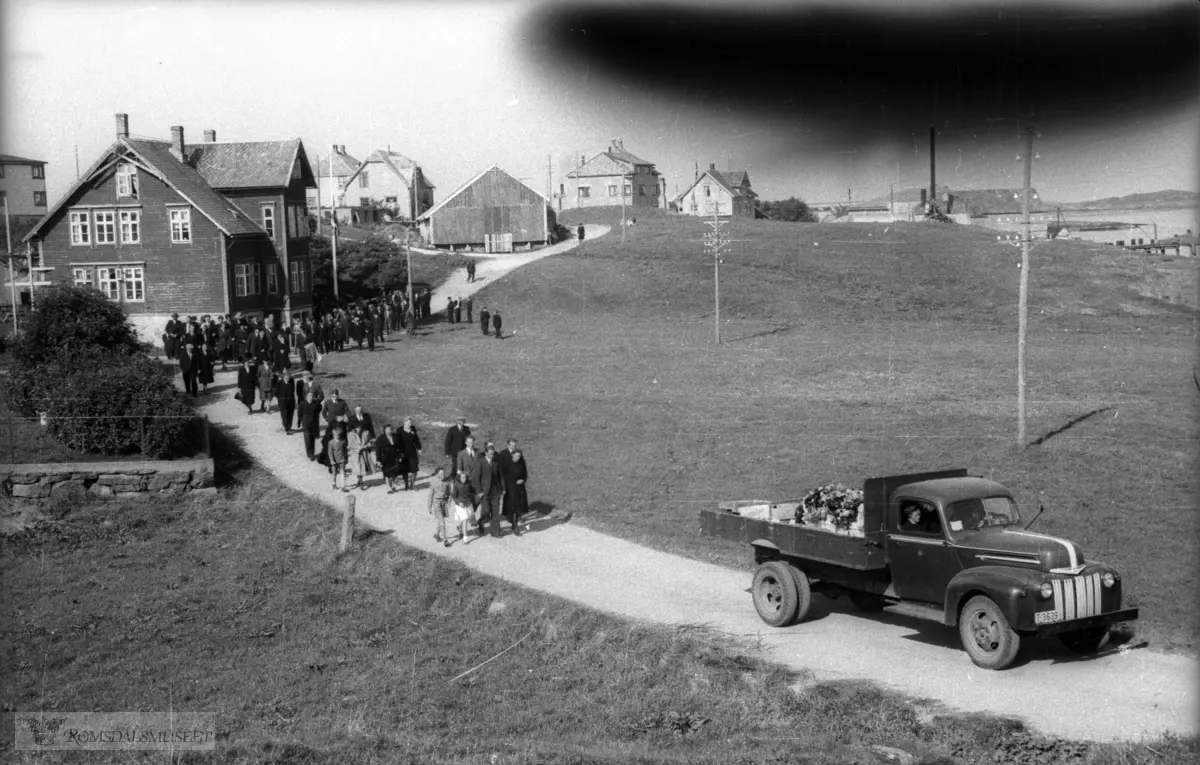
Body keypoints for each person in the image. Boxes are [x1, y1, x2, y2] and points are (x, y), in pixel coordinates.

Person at [470, 443, 505, 538]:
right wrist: (479, 491)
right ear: (486, 453)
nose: (492, 455)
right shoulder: (480, 462)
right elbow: (475, 478)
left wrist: (503, 488)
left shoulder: (496, 462)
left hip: (495, 491)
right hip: (484, 492)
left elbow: (501, 476)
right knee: (486, 510)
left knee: (495, 512)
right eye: (490, 454)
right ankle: (480, 522)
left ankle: (495, 532)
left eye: (493, 453)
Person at [501, 447, 528, 537]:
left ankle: (514, 524)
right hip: (510, 488)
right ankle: (515, 525)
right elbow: (502, 476)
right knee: (512, 507)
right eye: (516, 456)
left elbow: (525, 474)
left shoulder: (522, 462)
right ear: (512, 455)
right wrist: (503, 488)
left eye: (519, 456)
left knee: (518, 507)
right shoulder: (506, 464)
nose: (518, 458)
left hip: (519, 488)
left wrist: (522, 480)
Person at [348, 404, 377, 472]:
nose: (359, 411)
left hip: (367, 436)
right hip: (357, 438)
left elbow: (371, 427)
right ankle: (362, 468)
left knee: (368, 451)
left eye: (360, 410)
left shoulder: (366, 416)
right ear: (355, 411)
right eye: (357, 410)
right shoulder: (351, 418)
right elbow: (349, 429)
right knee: (360, 453)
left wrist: (373, 436)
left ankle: (369, 467)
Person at [427, 466, 452, 546]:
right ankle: (446, 540)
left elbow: (450, 493)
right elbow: (430, 495)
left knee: (441, 520)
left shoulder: (447, 482)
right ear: (436, 474)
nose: (443, 476)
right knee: (442, 521)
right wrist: (429, 506)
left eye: (443, 474)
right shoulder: (433, 482)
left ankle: (437, 535)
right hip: (436, 502)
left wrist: (449, 502)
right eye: (441, 474)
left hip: (444, 503)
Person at [375, 424, 403, 492]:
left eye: (390, 429)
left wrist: (400, 455)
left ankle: (393, 485)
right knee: (386, 472)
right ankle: (388, 487)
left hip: (395, 456)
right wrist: (378, 460)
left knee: (395, 470)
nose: (389, 430)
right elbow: (378, 449)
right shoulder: (381, 438)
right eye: (387, 429)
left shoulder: (396, 436)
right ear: (384, 430)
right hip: (385, 457)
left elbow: (400, 446)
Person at [397, 417, 423, 491]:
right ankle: (406, 484)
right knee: (405, 469)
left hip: (412, 451)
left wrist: (419, 448)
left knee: (414, 468)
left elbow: (416, 439)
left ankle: (413, 484)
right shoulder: (399, 430)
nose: (410, 424)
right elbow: (397, 441)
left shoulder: (413, 429)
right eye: (408, 423)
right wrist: (399, 452)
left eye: (411, 423)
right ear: (404, 422)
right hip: (403, 451)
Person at [297, 390, 322, 460]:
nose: (311, 397)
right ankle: (310, 454)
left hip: (313, 424)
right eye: (310, 395)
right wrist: (299, 422)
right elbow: (299, 413)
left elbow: (320, 408)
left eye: (312, 395)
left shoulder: (315, 403)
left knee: (312, 439)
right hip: (306, 425)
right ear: (306, 396)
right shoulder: (302, 404)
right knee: (307, 439)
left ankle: (312, 453)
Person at [347, 421, 370, 491]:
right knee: (358, 468)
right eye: (358, 427)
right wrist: (360, 447)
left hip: (360, 453)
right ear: (353, 428)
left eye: (360, 427)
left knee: (362, 467)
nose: (359, 429)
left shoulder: (359, 434)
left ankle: (360, 481)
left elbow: (364, 442)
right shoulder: (350, 435)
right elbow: (351, 445)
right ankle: (361, 483)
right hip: (355, 454)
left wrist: (366, 445)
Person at [275, 369, 297, 435]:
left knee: (290, 416)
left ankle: (289, 427)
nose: (288, 379)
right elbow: (276, 393)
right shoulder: (279, 383)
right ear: (284, 377)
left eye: (289, 378)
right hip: (283, 403)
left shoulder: (291, 382)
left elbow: (293, 390)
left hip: (291, 402)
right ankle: (287, 429)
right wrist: (281, 398)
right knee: (284, 416)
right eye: (287, 378)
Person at [328, 427, 349, 491]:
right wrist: (332, 460)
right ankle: (334, 484)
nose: (338, 436)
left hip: (342, 459)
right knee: (334, 473)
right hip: (334, 461)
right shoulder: (331, 442)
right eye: (336, 435)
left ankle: (343, 486)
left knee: (342, 472)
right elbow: (330, 452)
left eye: (339, 435)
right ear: (333, 435)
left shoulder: (343, 441)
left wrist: (346, 458)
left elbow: (345, 450)